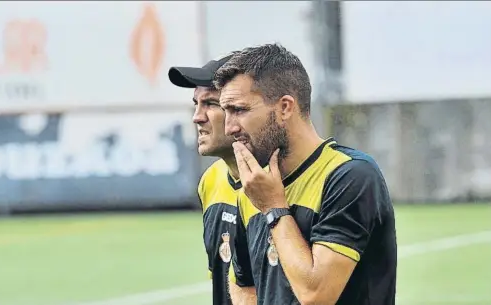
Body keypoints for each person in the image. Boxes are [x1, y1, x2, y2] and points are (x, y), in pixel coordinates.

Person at [213, 43, 397, 305]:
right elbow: (245, 285)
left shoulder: (350, 175)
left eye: (239, 110)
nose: (229, 127)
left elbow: (317, 295)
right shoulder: (254, 186)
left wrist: (275, 208)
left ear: (285, 107)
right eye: (225, 111)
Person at [168, 53, 241, 305]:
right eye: (196, 104)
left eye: (210, 103)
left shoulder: (282, 184)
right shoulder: (211, 180)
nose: (197, 116)